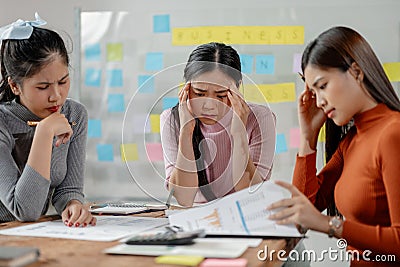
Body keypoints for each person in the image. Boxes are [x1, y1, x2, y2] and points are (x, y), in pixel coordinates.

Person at [268, 26, 400, 266]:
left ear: (356, 72)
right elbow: (307, 207)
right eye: (313, 92)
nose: (319, 102)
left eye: (322, 85)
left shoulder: (392, 133)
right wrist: (308, 136)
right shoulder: (350, 141)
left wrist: (329, 225)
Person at [0, 13, 96, 227]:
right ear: (15, 86)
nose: (56, 96)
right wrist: (44, 133)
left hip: (31, 232)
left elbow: (68, 189)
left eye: (63, 82)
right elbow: (25, 210)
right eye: (43, 87)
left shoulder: (74, 115)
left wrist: (72, 203)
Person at [160, 42, 276, 207]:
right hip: (193, 221)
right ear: (186, 88)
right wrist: (186, 131)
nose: (209, 105)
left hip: (245, 219)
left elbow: (251, 194)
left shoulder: (260, 118)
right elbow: (184, 198)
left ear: (238, 87)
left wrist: (238, 132)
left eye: (221, 95)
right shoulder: (173, 119)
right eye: (199, 93)